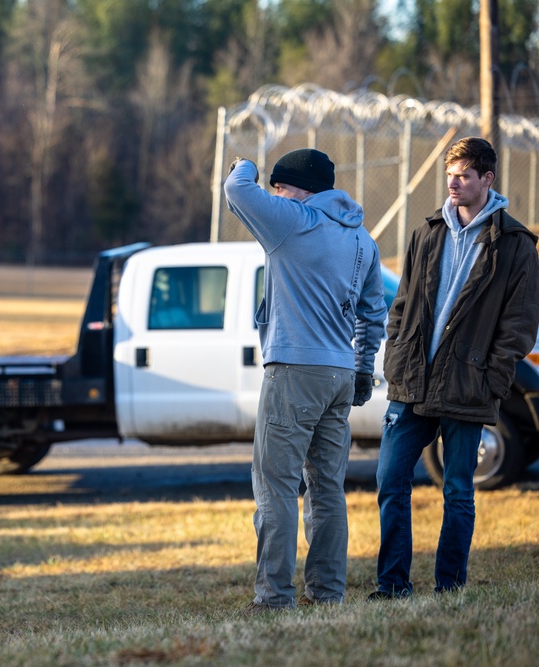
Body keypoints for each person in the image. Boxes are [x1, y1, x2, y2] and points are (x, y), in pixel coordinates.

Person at [369, 136, 539, 600]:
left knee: (458, 491)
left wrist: (493, 378)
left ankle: (449, 587)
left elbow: (520, 325)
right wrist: (396, 357)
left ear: (488, 178)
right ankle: (392, 585)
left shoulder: (515, 245)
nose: (453, 184)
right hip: (412, 382)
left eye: (464, 175)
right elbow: (401, 303)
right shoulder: (428, 232)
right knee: (390, 480)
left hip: (469, 385)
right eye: (450, 175)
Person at [225, 149, 387, 612]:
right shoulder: (362, 239)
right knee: (327, 488)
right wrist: (361, 366)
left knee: (275, 486)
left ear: (300, 188)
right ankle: (327, 592)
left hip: (294, 372)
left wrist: (245, 164)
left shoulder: (293, 221)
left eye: (280, 185)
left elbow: (238, 190)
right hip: (339, 374)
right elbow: (372, 313)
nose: (274, 194)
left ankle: (274, 597)